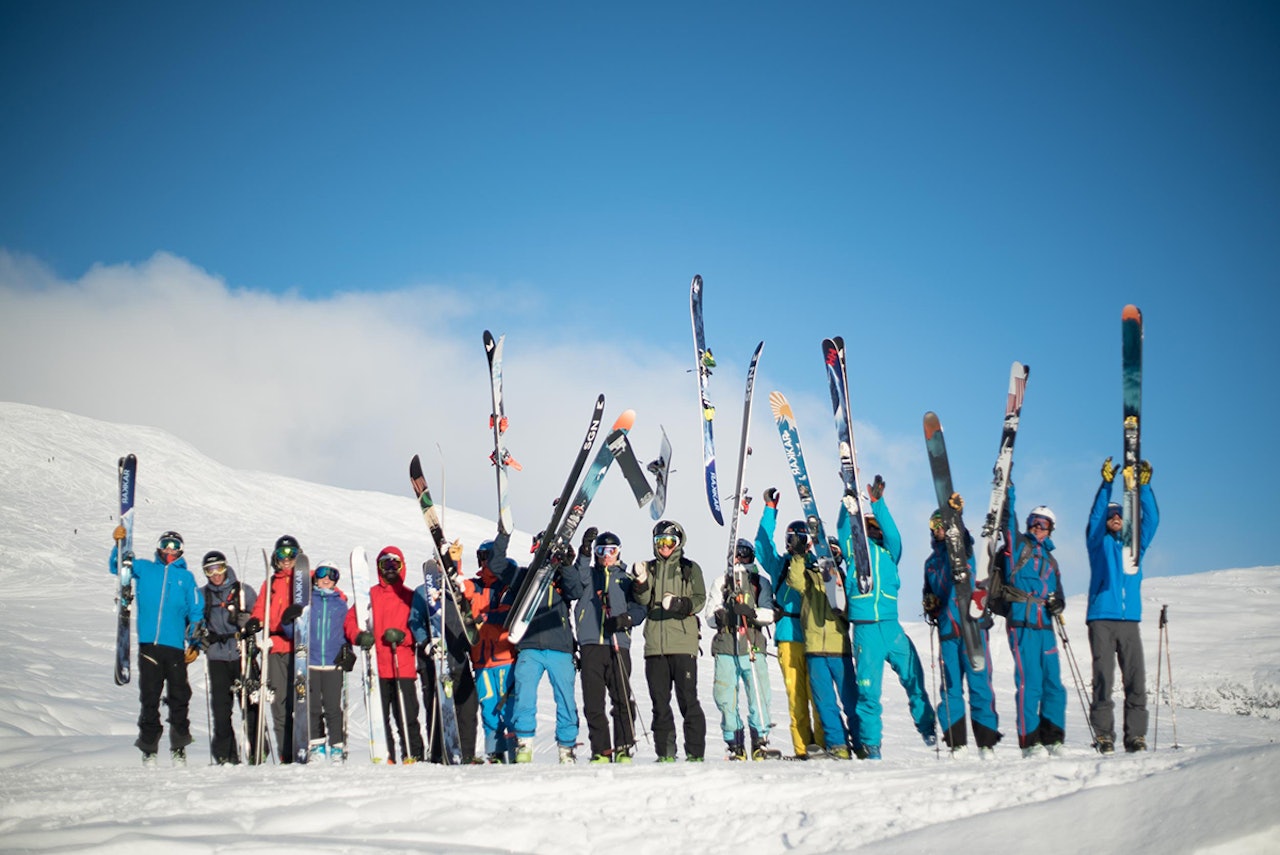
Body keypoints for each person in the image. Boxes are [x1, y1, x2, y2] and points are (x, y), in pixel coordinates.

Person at [845, 476, 937, 759]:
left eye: (876, 527)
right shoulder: (853, 551)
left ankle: (927, 728)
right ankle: (872, 747)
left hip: (891, 626)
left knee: (914, 678)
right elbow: (842, 530)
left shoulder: (890, 552)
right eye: (868, 526)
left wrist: (877, 504)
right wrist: (848, 507)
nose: (873, 531)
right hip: (866, 631)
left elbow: (895, 535)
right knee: (868, 693)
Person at [109, 529, 204, 765]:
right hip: (149, 645)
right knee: (149, 697)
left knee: (179, 696)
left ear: (181, 550)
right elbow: (117, 568)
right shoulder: (145, 568)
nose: (169, 549)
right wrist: (118, 544)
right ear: (159, 547)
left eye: (174, 545)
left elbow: (196, 610)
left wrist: (194, 640)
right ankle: (149, 748)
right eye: (166, 544)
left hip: (174, 647)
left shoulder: (187, 577)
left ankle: (179, 746)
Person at [1086, 456, 1160, 754]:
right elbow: (1093, 519)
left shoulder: (1134, 546)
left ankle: (1136, 737)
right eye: (1111, 515)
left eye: (1119, 515)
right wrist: (1107, 484)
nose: (1115, 518)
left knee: (1136, 679)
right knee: (1103, 678)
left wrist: (1145, 487)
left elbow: (1152, 520)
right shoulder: (1098, 544)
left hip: (1130, 621)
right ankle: (1104, 735)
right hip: (1101, 618)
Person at [922, 506, 1001, 758]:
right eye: (933, 526)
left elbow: (963, 539)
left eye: (941, 524)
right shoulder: (931, 563)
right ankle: (957, 743)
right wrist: (930, 604)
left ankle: (986, 743)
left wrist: (957, 517)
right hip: (948, 631)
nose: (937, 530)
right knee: (951, 687)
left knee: (980, 684)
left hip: (972, 627)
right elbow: (929, 593)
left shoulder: (962, 552)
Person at [998, 482, 1068, 757]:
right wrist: (1007, 490)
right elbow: (1007, 519)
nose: (1038, 528)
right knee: (1031, 682)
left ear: (1051, 529)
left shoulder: (1051, 562)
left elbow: (1058, 594)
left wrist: (1058, 603)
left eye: (1044, 524)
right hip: (1022, 622)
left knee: (1054, 683)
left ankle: (1053, 738)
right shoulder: (1018, 547)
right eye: (1034, 523)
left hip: (1045, 626)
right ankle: (1030, 741)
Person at [756, 489, 825, 759]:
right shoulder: (781, 566)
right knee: (796, 695)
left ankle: (822, 743)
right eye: (790, 538)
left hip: (815, 636)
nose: (793, 543)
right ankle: (801, 748)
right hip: (788, 635)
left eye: (799, 538)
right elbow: (761, 546)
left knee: (817, 694)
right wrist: (770, 510)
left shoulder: (816, 564)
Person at [782, 515, 858, 760]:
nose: (832, 555)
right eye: (829, 551)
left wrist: (841, 600)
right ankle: (838, 746)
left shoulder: (846, 582)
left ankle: (861, 742)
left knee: (850, 700)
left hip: (839, 649)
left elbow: (852, 613)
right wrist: (798, 554)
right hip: (814, 649)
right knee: (825, 702)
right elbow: (794, 579)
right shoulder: (811, 577)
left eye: (836, 552)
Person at [505, 530, 584, 764]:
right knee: (525, 696)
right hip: (530, 645)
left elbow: (576, 591)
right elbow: (503, 578)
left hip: (560, 647)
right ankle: (524, 744)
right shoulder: (524, 575)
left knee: (565, 698)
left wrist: (567, 565)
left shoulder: (561, 577)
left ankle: (567, 748)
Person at [632, 519, 707, 762]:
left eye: (669, 541)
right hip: (655, 646)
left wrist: (680, 604)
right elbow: (643, 600)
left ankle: (695, 753)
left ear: (678, 542)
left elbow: (699, 599)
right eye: (660, 541)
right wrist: (641, 581)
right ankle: (665, 752)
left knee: (687, 699)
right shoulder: (651, 567)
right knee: (659, 702)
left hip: (683, 645)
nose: (665, 546)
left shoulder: (689, 568)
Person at [571, 528, 647, 763]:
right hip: (592, 643)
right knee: (593, 702)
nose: (607, 555)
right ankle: (601, 750)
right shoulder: (589, 575)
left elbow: (640, 606)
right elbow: (577, 580)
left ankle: (624, 746)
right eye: (601, 550)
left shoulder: (625, 577)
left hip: (617, 643)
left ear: (618, 553)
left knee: (622, 697)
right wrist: (584, 552)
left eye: (611, 551)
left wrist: (626, 619)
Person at [345, 546, 425, 763]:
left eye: (394, 565)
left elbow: (420, 627)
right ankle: (386, 756)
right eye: (385, 565)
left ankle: (414, 755)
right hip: (377, 667)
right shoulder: (369, 596)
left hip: (403, 667)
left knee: (406, 716)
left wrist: (404, 637)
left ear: (402, 567)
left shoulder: (410, 597)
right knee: (380, 719)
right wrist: (359, 636)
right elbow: (350, 620)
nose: (390, 570)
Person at [706, 538, 778, 760]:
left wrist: (751, 612)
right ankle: (734, 743)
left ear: (751, 556)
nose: (739, 558)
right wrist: (725, 614)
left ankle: (760, 741)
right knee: (725, 696)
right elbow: (710, 616)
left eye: (744, 553)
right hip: (727, 646)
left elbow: (770, 613)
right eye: (736, 554)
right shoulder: (722, 581)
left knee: (759, 695)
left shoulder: (760, 582)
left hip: (752, 646)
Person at [409, 547, 480, 764]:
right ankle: (439, 753)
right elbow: (415, 621)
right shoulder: (423, 592)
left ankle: (465, 753)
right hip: (434, 661)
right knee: (439, 708)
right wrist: (426, 643)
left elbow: (471, 620)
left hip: (459, 659)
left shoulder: (460, 591)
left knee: (467, 707)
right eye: (440, 562)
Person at [459, 532, 519, 763]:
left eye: (488, 556)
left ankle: (515, 752)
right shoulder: (475, 586)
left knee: (509, 709)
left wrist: (485, 616)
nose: (484, 561)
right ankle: (495, 754)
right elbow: (459, 587)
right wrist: (453, 562)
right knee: (489, 709)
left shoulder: (506, 586)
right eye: (481, 556)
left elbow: (507, 614)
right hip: (481, 660)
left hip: (504, 657)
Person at [245, 534, 302, 763]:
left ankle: (304, 747)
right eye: (282, 555)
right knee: (279, 702)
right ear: (276, 558)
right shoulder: (270, 585)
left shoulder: (303, 581)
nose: (286, 559)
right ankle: (285, 752)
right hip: (275, 647)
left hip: (299, 647)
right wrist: (254, 622)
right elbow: (260, 610)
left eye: (291, 555)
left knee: (300, 700)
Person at [199, 550, 260, 765]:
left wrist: (250, 622)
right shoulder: (203, 595)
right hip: (217, 656)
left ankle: (257, 750)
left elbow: (260, 615)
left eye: (219, 568)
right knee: (221, 708)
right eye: (210, 570)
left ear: (226, 567)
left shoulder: (243, 591)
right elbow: (193, 622)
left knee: (250, 706)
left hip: (241, 652)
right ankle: (226, 755)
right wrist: (198, 638)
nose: (215, 574)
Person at [292, 561, 352, 763]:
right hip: (311, 662)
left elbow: (347, 631)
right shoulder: (308, 603)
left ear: (336, 580)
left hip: (333, 663)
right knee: (313, 706)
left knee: (333, 707)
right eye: (321, 574)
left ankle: (336, 747)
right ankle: (317, 746)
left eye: (331, 574)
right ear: (315, 577)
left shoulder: (341, 604)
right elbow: (295, 631)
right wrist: (287, 621)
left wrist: (348, 649)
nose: (326, 578)